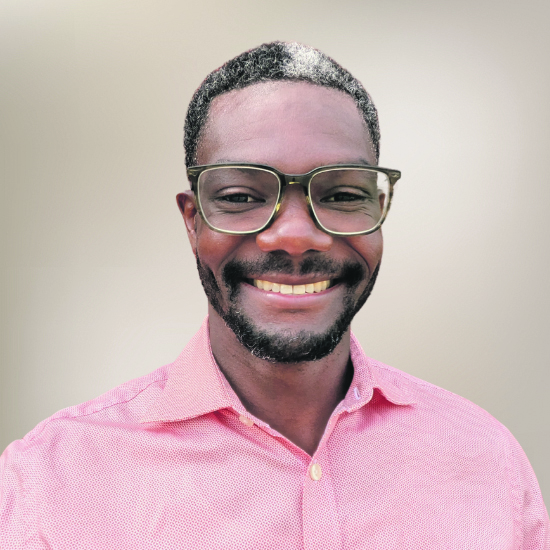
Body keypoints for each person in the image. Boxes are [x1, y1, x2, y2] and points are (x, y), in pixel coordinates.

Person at [1, 41, 548, 549]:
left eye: (340, 194)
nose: (293, 236)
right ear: (193, 222)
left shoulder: (484, 457)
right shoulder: (52, 480)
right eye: (241, 195)